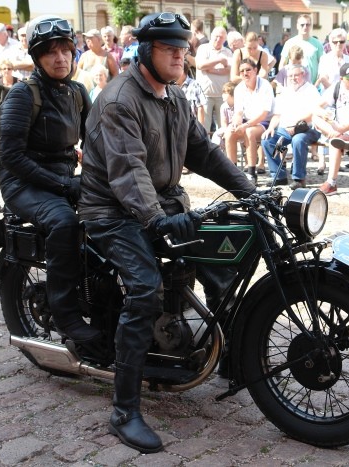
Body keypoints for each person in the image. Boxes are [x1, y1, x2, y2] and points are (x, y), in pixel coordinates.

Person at [77, 12, 255, 453]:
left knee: (221, 264)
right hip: (113, 211)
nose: (180, 55)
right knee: (145, 289)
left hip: (163, 202)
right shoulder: (120, 100)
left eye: (182, 48)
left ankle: (229, 358)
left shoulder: (174, 96)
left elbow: (204, 151)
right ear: (145, 51)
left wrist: (250, 191)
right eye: (169, 48)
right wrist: (156, 220)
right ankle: (124, 409)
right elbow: (128, 171)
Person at [0, 15, 98, 386]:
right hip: (24, 182)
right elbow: (11, 156)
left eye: (65, 50)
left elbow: (96, 141)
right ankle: (66, 311)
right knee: (64, 222)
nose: (60, 58)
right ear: (37, 58)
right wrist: (62, 185)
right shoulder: (24, 94)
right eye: (50, 52)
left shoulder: (77, 92)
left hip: (61, 178)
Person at [261, 64, 322, 189]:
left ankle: (299, 178)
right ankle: (279, 177)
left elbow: (314, 114)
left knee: (298, 140)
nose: (293, 78)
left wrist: (295, 126)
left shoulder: (311, 90)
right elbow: (277, 115)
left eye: (296, 75)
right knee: (267, 140)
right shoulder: (284, 91)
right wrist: (271, 127)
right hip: (286, 130)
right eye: (290, 76)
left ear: (303, 75)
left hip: (307, 129)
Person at [314, 63, 349, 195]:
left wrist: (340, 130)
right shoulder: (336, 87)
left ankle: (331, 183)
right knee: (316, 117)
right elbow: (316, 107)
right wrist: (324, 114)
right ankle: (337, 137)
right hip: (338, 129)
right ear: (341, 79)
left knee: (335, 142)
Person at [224, 58, 274, 181]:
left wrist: (246, 125)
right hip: (247, 122)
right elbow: (239, 112)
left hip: (265, 122)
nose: (245, 73)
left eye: (248, 70)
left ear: (255, 70)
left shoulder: (265, 85)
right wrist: (236, 123)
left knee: (249, 132)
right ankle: (233, 174)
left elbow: (264, 114)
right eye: (242, 71)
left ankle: (252, 173)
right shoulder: (239, 88)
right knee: (230, 131)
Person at [195, 26, 232, 134]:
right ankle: (204, 150)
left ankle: (222, 150)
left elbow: (229, 70)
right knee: (203, 127)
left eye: (221, 37)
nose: (218, 39)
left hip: (223, 95)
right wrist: (219, 60)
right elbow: (200, 65)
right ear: (211, 36)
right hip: (205, 94)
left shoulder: (228, 52)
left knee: (223, 127)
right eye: (216, 37)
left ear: (225, 39)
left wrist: (211, 70)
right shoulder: (203, 48)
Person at [279, 14, 325, 83]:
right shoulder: (289, 43)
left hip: (312, 86)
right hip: (293, 86)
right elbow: (282, 65)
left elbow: (323, 66)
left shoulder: (317, 44)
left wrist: (317, 84)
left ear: (311, 26)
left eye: (307, 24)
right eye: (302, 25)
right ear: (297, 26)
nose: (305, 27)